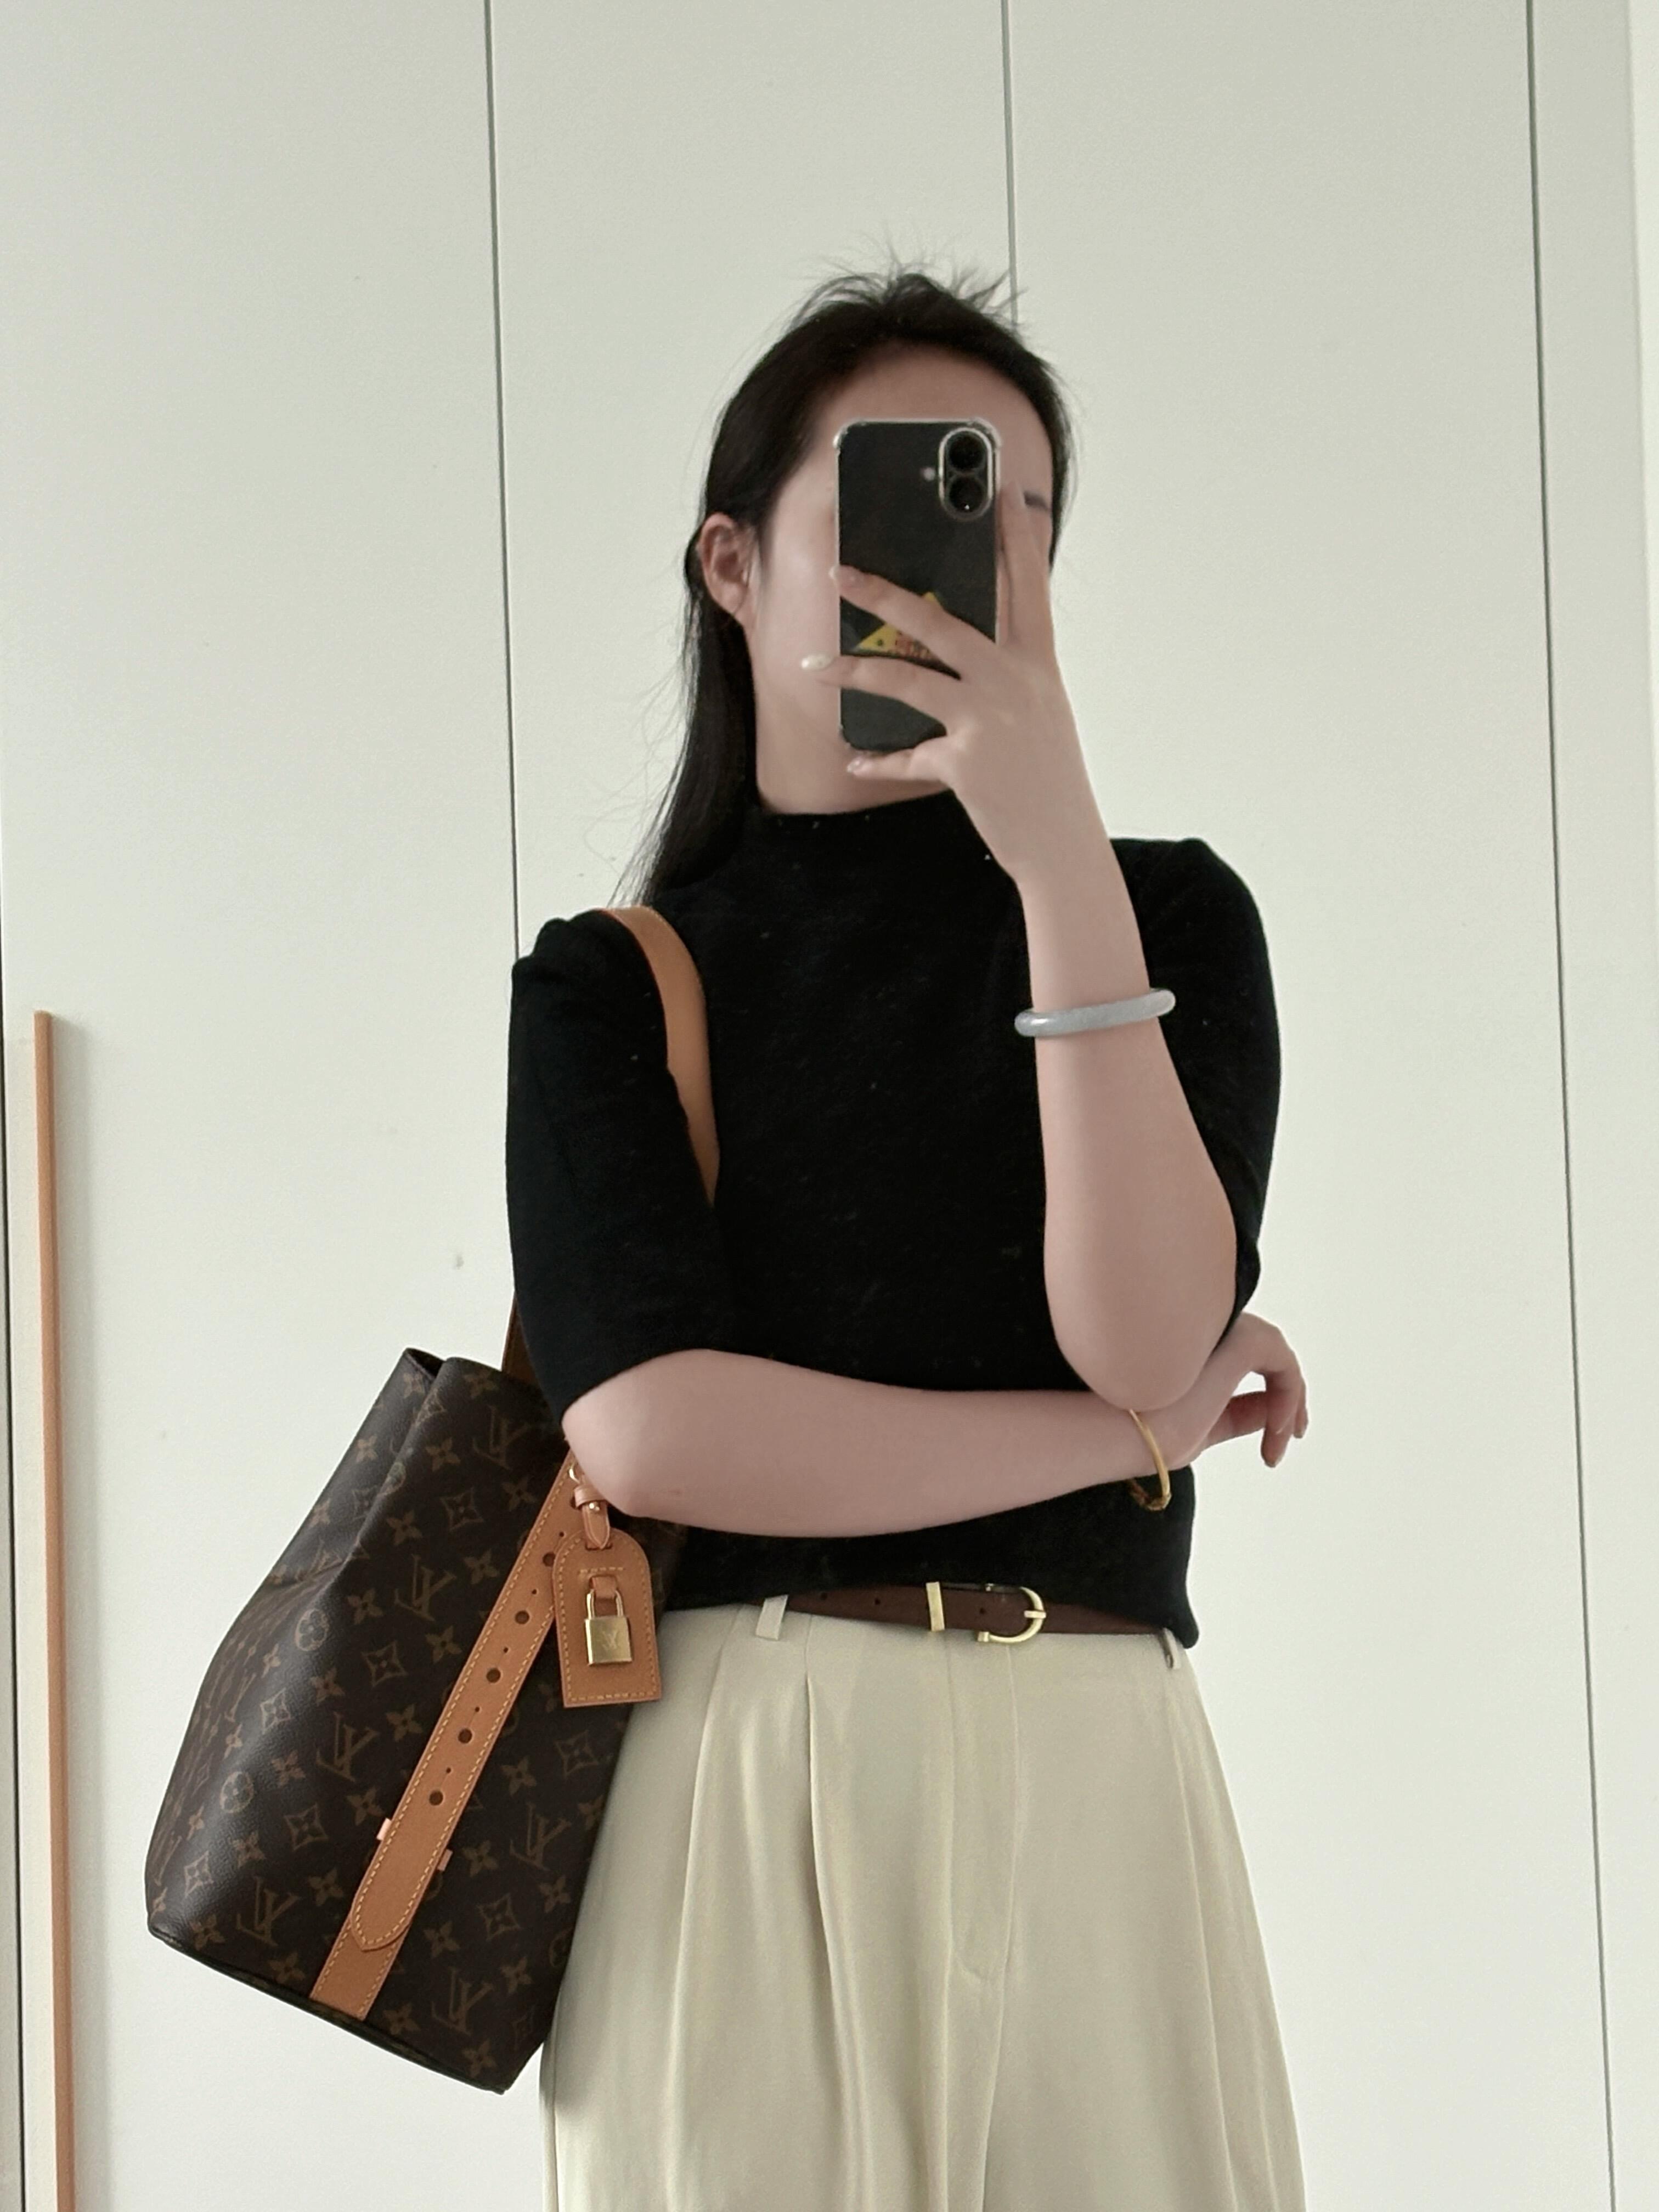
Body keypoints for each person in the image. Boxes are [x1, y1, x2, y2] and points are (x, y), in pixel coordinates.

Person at [506, 262, 1311, 2212]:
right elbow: (654, 1432)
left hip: (1101, 1762)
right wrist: (1126, 1445)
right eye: (920, 500)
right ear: (732, 563)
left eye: (1018, 521)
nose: (976, 568)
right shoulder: (618, 982)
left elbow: (1144, 1332)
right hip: (741, 1772)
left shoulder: (1167, 919)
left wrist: (1056, 856)